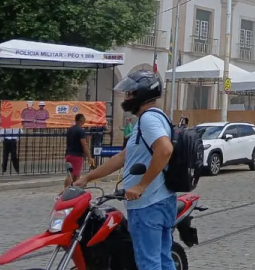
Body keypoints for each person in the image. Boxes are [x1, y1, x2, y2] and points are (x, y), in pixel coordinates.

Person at [74, 69, 177, 270]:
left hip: (147, 204)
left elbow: (165, 150)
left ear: (142, 94)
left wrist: (141, 185)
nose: (127, 97)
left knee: (149, 263)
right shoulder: (155, 118)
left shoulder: (148, 119)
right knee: (163, 260)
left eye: (130, 93)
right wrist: (88, 177)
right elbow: (122, 157)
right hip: (162, 201)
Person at [64, 114, 95, 187]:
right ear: (81, 120)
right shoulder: (80, 130)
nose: (85, 120)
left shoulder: (70, 130)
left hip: (68, 154)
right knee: (75, 175)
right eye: (84, 119)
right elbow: (84, 145)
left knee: (70, 174)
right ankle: (71, 191)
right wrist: (89, 157)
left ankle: (68, 190)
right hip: (77, 156)